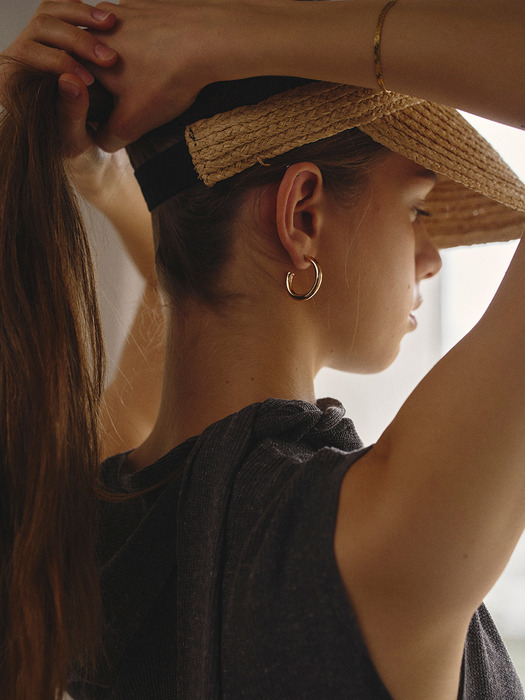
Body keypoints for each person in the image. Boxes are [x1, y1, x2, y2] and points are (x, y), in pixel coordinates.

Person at [2, 1, 525, 699]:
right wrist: (221, 37)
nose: (430, 257)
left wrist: (102, 177)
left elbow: (180, 299)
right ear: (302, 213)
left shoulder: (83, 526)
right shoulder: (372, 539)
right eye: (417, 209)